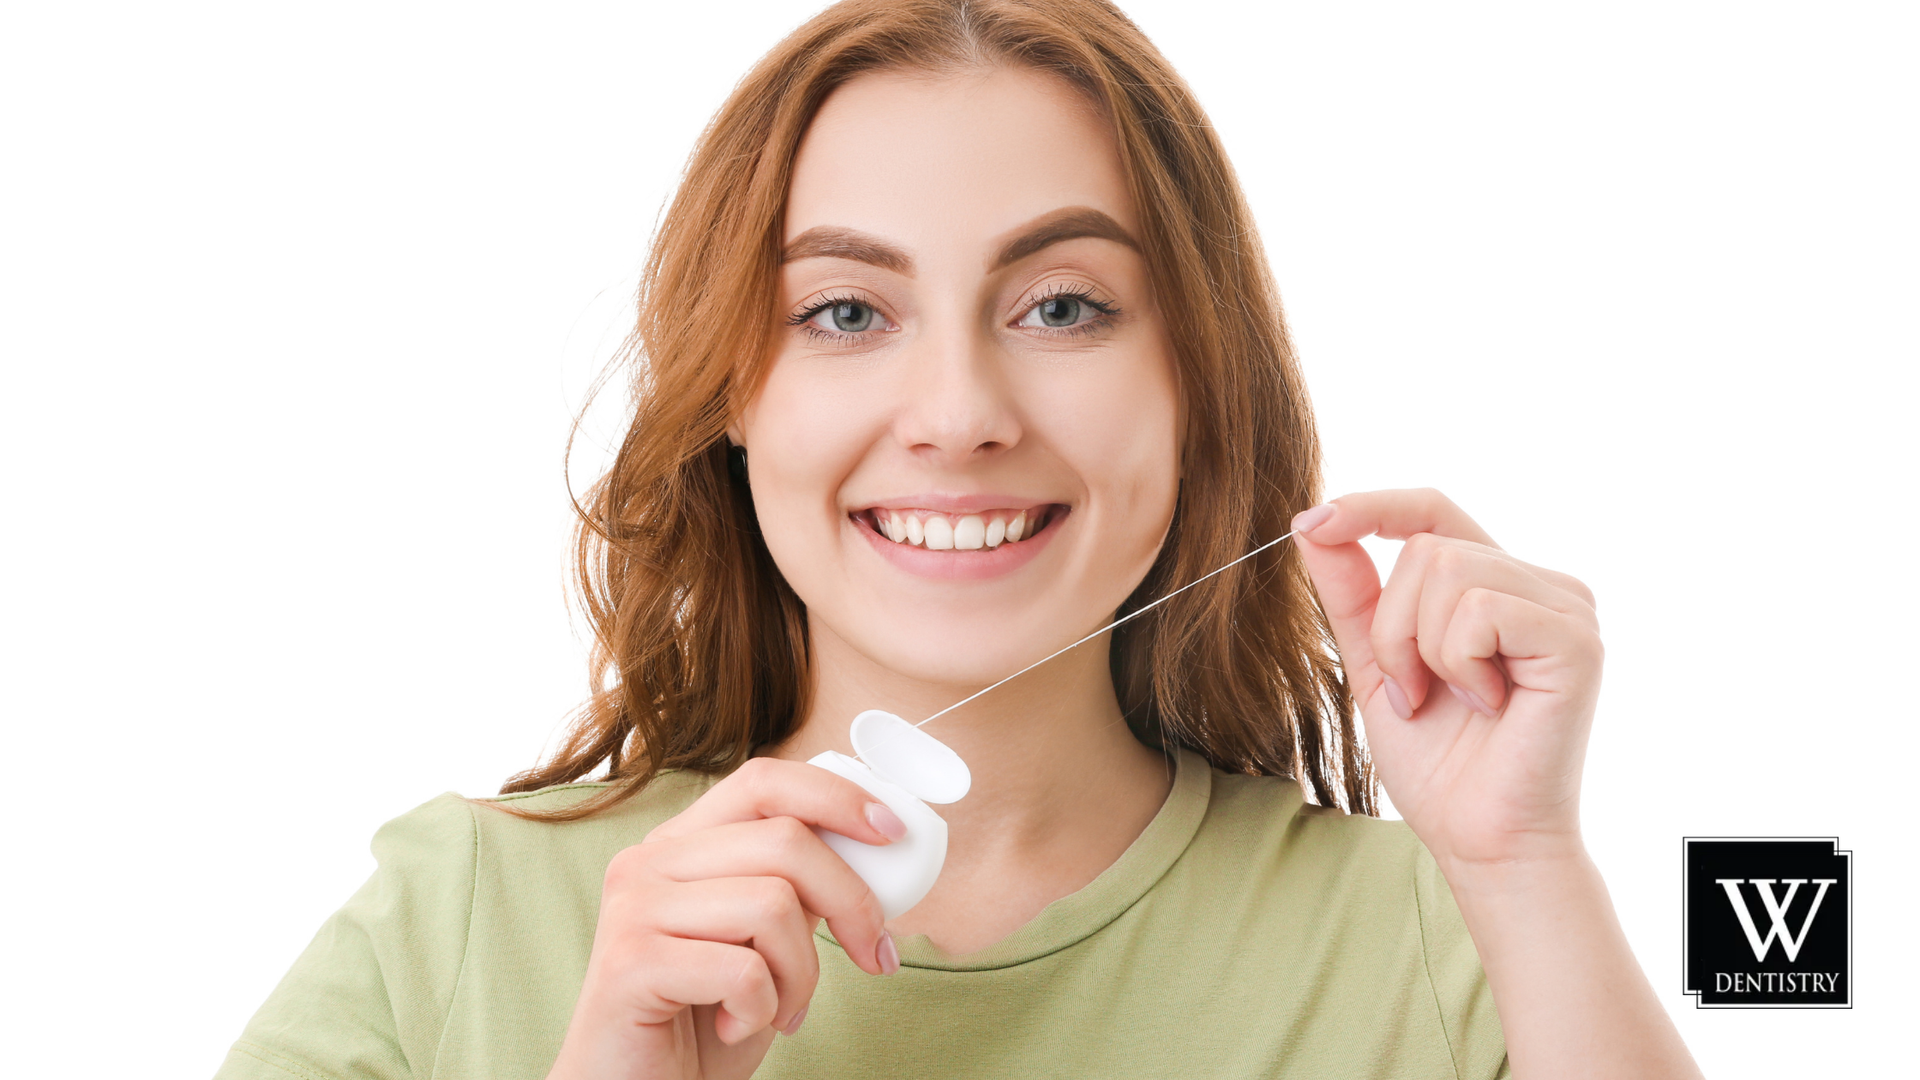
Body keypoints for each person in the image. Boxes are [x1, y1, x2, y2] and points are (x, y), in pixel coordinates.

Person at [218, 1, 1703, 1077]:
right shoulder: (463, 921)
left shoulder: (1451, 947)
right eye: (847, 312)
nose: (957, 413)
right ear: (736, 391)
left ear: (1197, 379)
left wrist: (1524, 870)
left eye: (1062, 305)